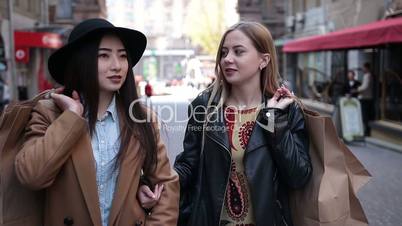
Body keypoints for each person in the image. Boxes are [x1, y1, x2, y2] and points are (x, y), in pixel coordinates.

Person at [139, 21, 312, 226]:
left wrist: (275, 120)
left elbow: (298, 177)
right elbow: (188, 165)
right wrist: (154, 184)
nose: (227, 59)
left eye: (239, 52)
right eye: (224, 53)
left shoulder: (287, 110)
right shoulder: (204, 106)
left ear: (263, 60)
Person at [14, 18, 179, 226]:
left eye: (122, 56)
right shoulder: (49, 114)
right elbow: (31, 175)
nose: (116, 65)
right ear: (82, 61)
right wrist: (72, 118)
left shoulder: (140, 119)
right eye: (104, 56)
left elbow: (166, 185)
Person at [357, 62, 374, 135]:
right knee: (366, 115)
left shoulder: (367, 76)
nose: (363, 69)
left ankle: (366, 131)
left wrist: (357, 89)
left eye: (364, 67)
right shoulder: (368, 75)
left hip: (365, 98)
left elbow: (365, 87)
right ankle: (366, 130)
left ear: (367, 68)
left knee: (365, 115)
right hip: (367, 97)